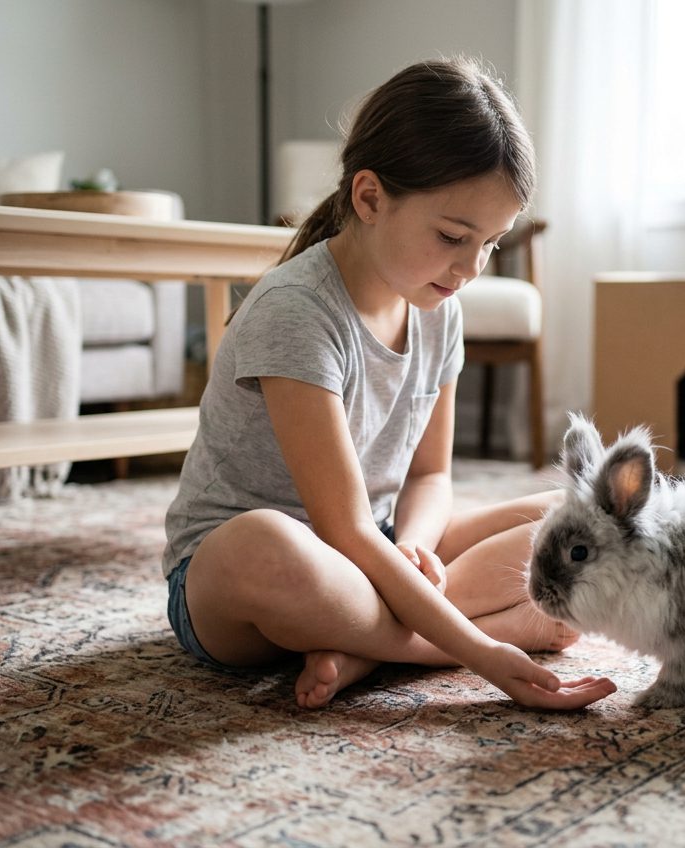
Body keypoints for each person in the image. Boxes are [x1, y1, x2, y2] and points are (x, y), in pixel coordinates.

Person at [162, 58, 616, 711]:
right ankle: (458, 634)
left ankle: (362, 651)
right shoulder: (296, 310)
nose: (470, 268)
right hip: (249, 584)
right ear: (370, 198)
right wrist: (481, 653)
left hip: (374, 546)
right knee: (263, 547)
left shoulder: (439, 308)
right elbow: (340, 530)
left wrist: (413, 545)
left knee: (579, 519)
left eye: (491, 244)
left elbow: (430, 476)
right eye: (454, 236)